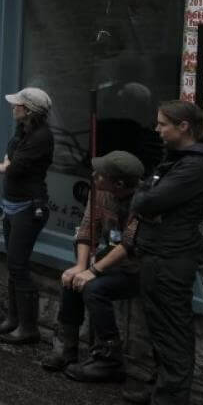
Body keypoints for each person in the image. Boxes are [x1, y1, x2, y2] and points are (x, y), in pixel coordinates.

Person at [124, 100, 203, 405]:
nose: (157, 130)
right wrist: (147, 194)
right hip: (160, 251)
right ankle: (159, 391)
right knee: (159, 328)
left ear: (183, 127)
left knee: (173, 334)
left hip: (172, 255)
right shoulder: (179, 161)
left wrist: (144, 194)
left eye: (163, 124)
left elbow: (147, 200)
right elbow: (150, 197)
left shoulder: (194, 167)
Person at [40, 150, 144, 381]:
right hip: (106, 261)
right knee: (71, 280)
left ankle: (109, 359)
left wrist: (93, 271)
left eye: (101, 174)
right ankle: (67, 348)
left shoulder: (144, 200)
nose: (94, 175)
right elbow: (88, 228)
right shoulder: (99, 191)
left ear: (117, 183)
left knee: (93, 289)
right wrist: (80, 266)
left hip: (135, 268)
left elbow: (129, 244)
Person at [0, 87, 56, 345]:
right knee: (13, 264)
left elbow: (12, 168)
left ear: (28, 110)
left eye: (17, 104)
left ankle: (29, 328)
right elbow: (9, 157)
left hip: (29, 207)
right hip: (12, 204)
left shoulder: (42, 137)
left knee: (19, 265)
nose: (12, 107)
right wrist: (7, 162)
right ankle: (13, 319)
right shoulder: (23, 130)